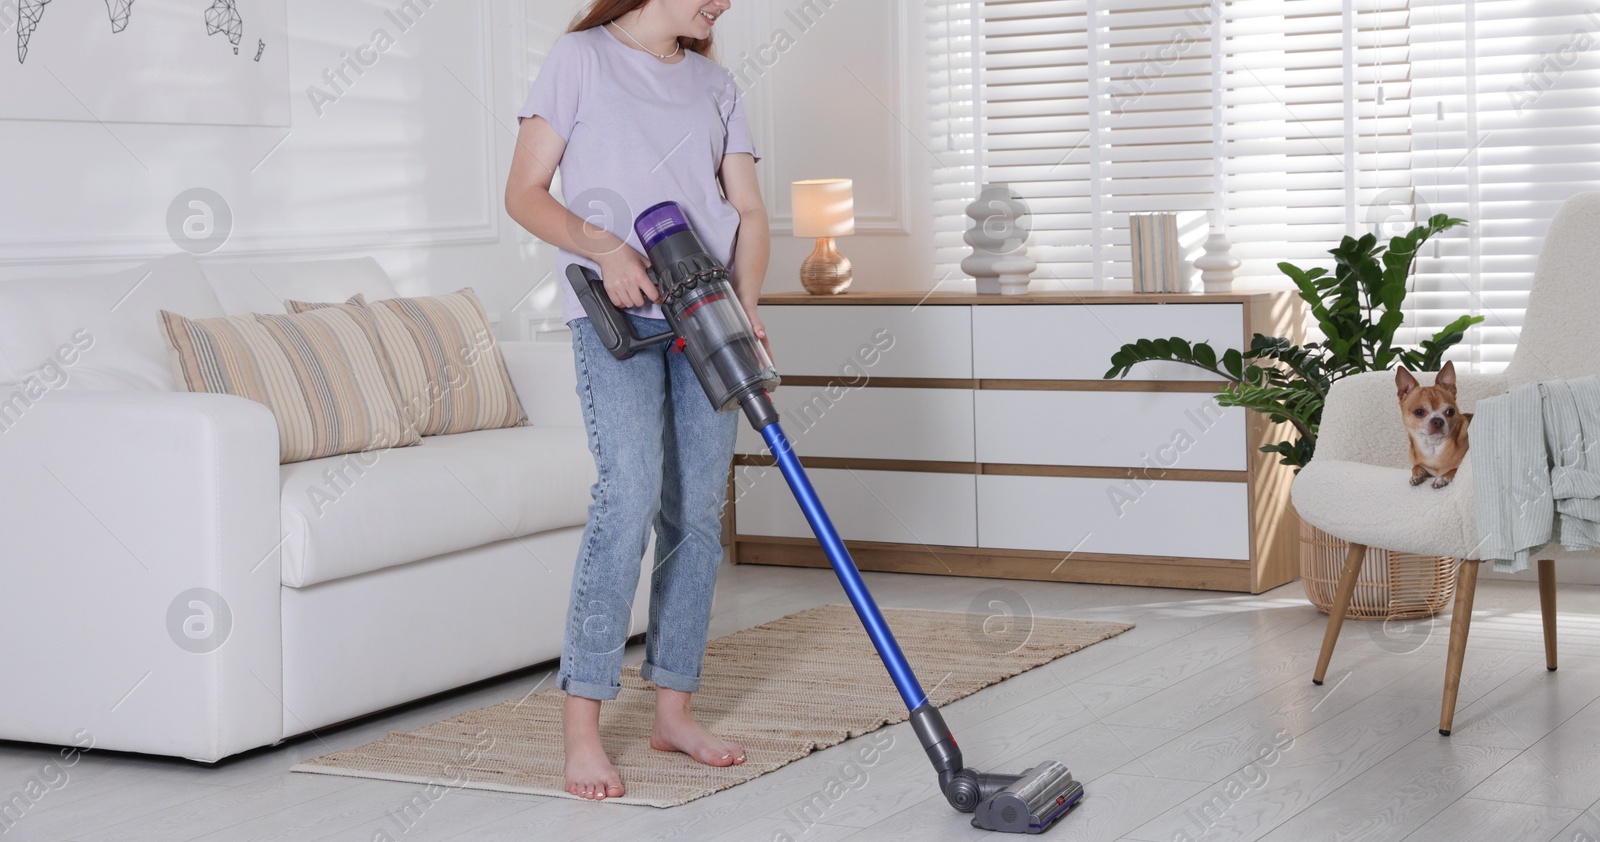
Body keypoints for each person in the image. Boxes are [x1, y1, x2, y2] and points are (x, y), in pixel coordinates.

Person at [504, 0, 768, 802]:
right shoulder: (580, 58)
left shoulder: (716, 84)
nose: (723, 3)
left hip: (709, 311)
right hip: (614, 312)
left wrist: (749, 310)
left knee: (693, 515)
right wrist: (605, 245)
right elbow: (525, 191)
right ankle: (582, 730)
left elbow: (750, 212)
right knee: (628, 497)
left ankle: (674, 713)